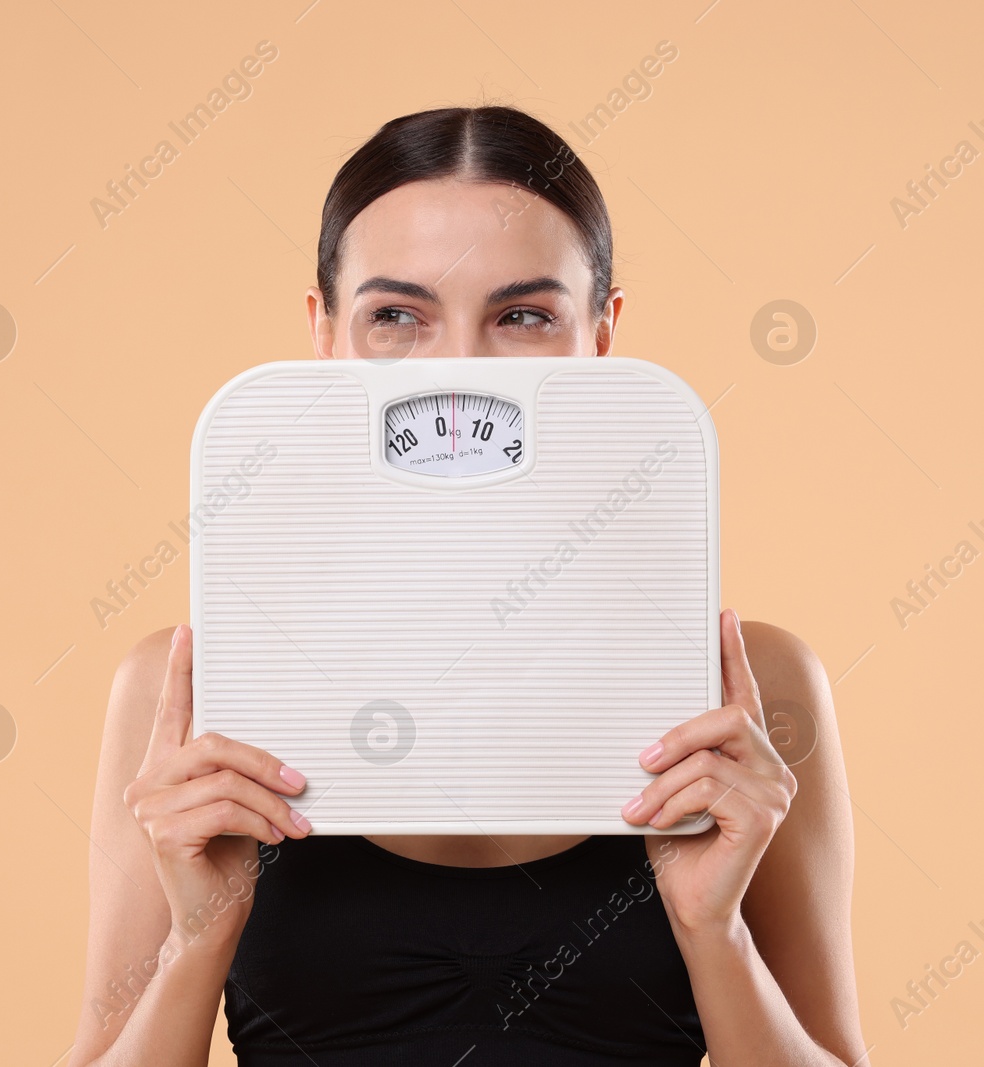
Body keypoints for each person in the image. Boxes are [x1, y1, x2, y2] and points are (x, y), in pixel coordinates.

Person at [69, 105, 869, 1066]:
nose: (457, 369)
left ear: (602, 336)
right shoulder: (185, 696)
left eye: (523, 316)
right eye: (396, 317)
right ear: (323, 335)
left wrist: (715, 933)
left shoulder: (750, 692)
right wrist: (199, 939)